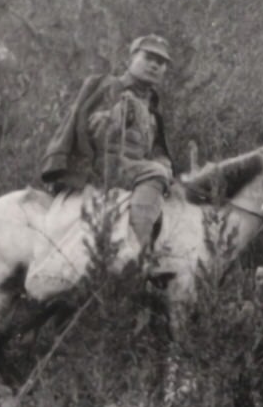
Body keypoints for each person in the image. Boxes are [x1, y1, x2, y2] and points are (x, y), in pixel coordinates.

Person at [38, 35, 179, 256]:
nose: (154, 65)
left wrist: (165, 163)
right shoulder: (109, 87)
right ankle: (138, 251)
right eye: (149, 57)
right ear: (131, 59)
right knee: (155, 173)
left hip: (133, 170)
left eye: (161, 63)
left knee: (171, 183)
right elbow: (88, 127)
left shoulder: (152, 107)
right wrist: (110, 118)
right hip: (104, 167)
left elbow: (157, 150)